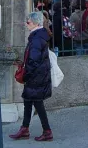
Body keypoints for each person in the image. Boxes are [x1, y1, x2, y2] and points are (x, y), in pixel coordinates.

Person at [9, 12, 53, 142]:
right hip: (37, 75)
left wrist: (26, 74)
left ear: (36, 24)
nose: (26, 24)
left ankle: (47, 131)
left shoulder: (36, 39)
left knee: (38, 104)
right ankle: (24, 129)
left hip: (35, 76)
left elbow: (34, 61)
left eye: (28, 22)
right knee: (28, 101)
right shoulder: (38, 36)